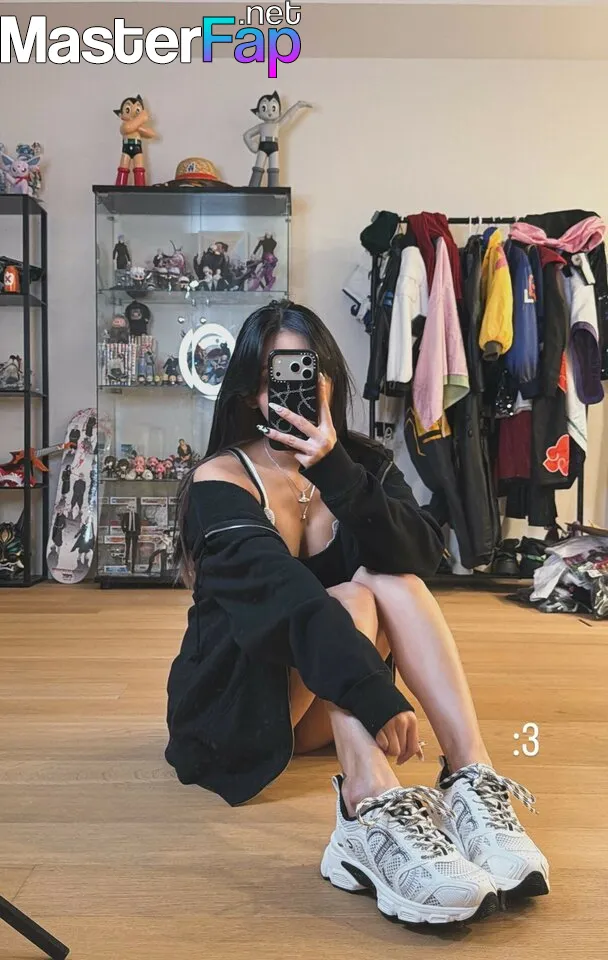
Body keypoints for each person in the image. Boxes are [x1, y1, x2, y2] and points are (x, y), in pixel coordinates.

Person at [165, 300, 549, 925]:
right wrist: (373, 692)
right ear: (248, 393)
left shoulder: (359, 463)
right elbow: (284, 600)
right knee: (346, 596)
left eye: (303, 371)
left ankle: (472, 777)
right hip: (241, 703)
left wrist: (335, 470)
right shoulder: (221, 480)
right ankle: (367, 804)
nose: (286, 390)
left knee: (386, 579)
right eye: (271, 377)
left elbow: (423, 556)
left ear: (328, 381)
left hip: (328, 702)